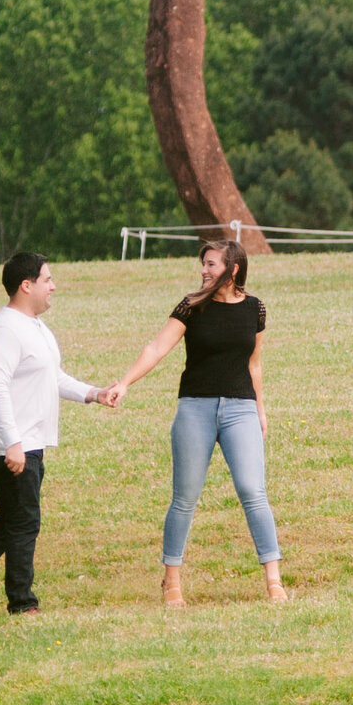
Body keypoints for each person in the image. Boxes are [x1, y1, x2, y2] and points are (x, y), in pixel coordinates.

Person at [0, 252, 115, 617]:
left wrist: (93, 393)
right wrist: (11, 443)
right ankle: (22, 604)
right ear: (26, 285)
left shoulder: (35, 328)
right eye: (47, 279)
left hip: (27, 441)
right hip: (12, 445)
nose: (54, 286)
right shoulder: (3, 331)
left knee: (12, 520)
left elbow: (53, 377)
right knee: (24, 521)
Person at [107, 236, 286, 605]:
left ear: (232, 269)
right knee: (185, 497)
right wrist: (124, 382)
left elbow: (254, 364)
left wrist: (261, 410)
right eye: (203, 264)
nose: (204, 271)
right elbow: (156, 348)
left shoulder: (255, 308)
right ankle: (172, 581)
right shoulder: (191, 307)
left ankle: (274, 581)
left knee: (254, 492)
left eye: (212, 265)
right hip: (196, 408)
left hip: (241, 409)